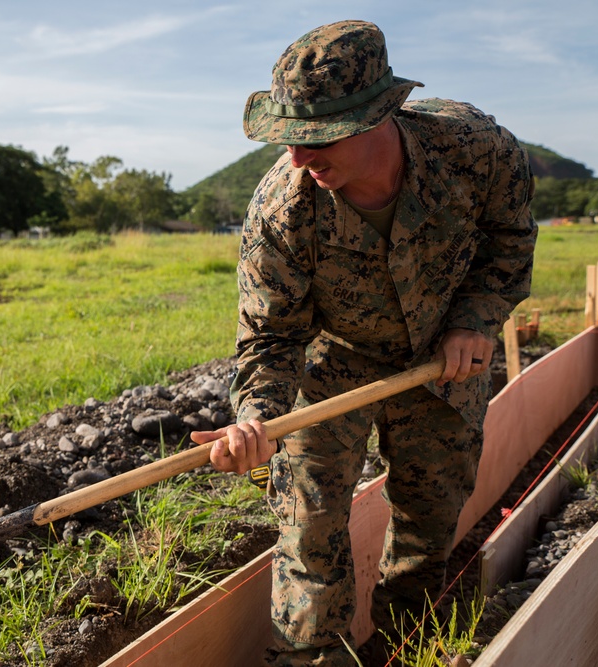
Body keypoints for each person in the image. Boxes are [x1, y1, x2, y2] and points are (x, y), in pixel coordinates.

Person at [189, 20, 537, 667]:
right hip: (334, 361)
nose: (297, 157)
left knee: (428, 528)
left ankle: (413, 653)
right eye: (289, 138)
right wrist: (255, 416)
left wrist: (477, 318)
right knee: (309, 530)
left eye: (316, 138)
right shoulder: (282, 207)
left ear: (380, 114)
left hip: (444, 358)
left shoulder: (476, 151)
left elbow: (510, 241)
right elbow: (268, 336)